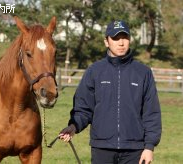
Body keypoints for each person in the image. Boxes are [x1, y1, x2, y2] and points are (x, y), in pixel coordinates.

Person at [59, 20, 162, 164]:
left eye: (124, 38)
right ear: (106, 42)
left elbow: (151, 113)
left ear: (129, 40)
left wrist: (149, 147)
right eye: (115, 38)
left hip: (135, 151)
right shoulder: (94, 71)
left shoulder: (143, 73)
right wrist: (73, 127)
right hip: (102, 149)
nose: (121, 43)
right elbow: (83, 108)